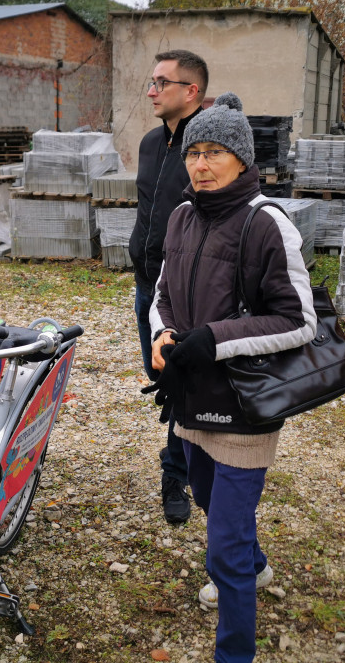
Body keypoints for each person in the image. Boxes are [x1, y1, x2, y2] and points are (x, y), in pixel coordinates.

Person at [145, 92, 317, 663]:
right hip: (192, 396)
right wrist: (161, 334)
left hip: (244, 406)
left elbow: (299, 321)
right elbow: (164, 291)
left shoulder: (268, 225)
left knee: (225, 543)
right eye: (194, 151)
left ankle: (234, 650)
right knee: (205, 492)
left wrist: (215, 339)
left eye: (215, 151)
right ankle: (257, 565)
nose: (200, 163)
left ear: (243, 159)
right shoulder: (181, 215)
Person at [128, 49, 208, 525]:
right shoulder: (148, 144)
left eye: (162, 83)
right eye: (152, 81)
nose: (153, 91)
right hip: (145, 285)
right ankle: (188, 450)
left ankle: (176, 471)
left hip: (186, 292)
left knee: (182, 385)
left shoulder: (207, 149)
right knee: (163, 380)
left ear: (190, 91)